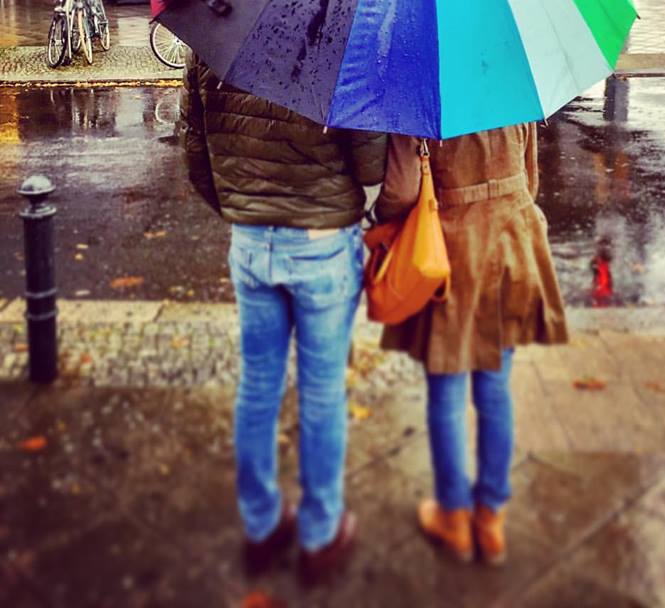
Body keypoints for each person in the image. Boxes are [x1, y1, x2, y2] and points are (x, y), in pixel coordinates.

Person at [180, 54, 387, 584]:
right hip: (321, 245)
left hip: (250, 242)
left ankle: (262, 525)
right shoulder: (343, 38)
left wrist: (244, 210)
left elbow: (196, 156)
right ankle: (320, 536)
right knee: (321, 396)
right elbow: (369, 168)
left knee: (257, 387)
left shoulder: (211, 34)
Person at [375, 125, 568, 566]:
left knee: (446, 386)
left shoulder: (421, 99)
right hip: (510, 239)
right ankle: (491, 519)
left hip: (452, 245)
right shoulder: (514, 85)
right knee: (495, 385)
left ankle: (454, 516)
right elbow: (530, 179)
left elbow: (401, 192)